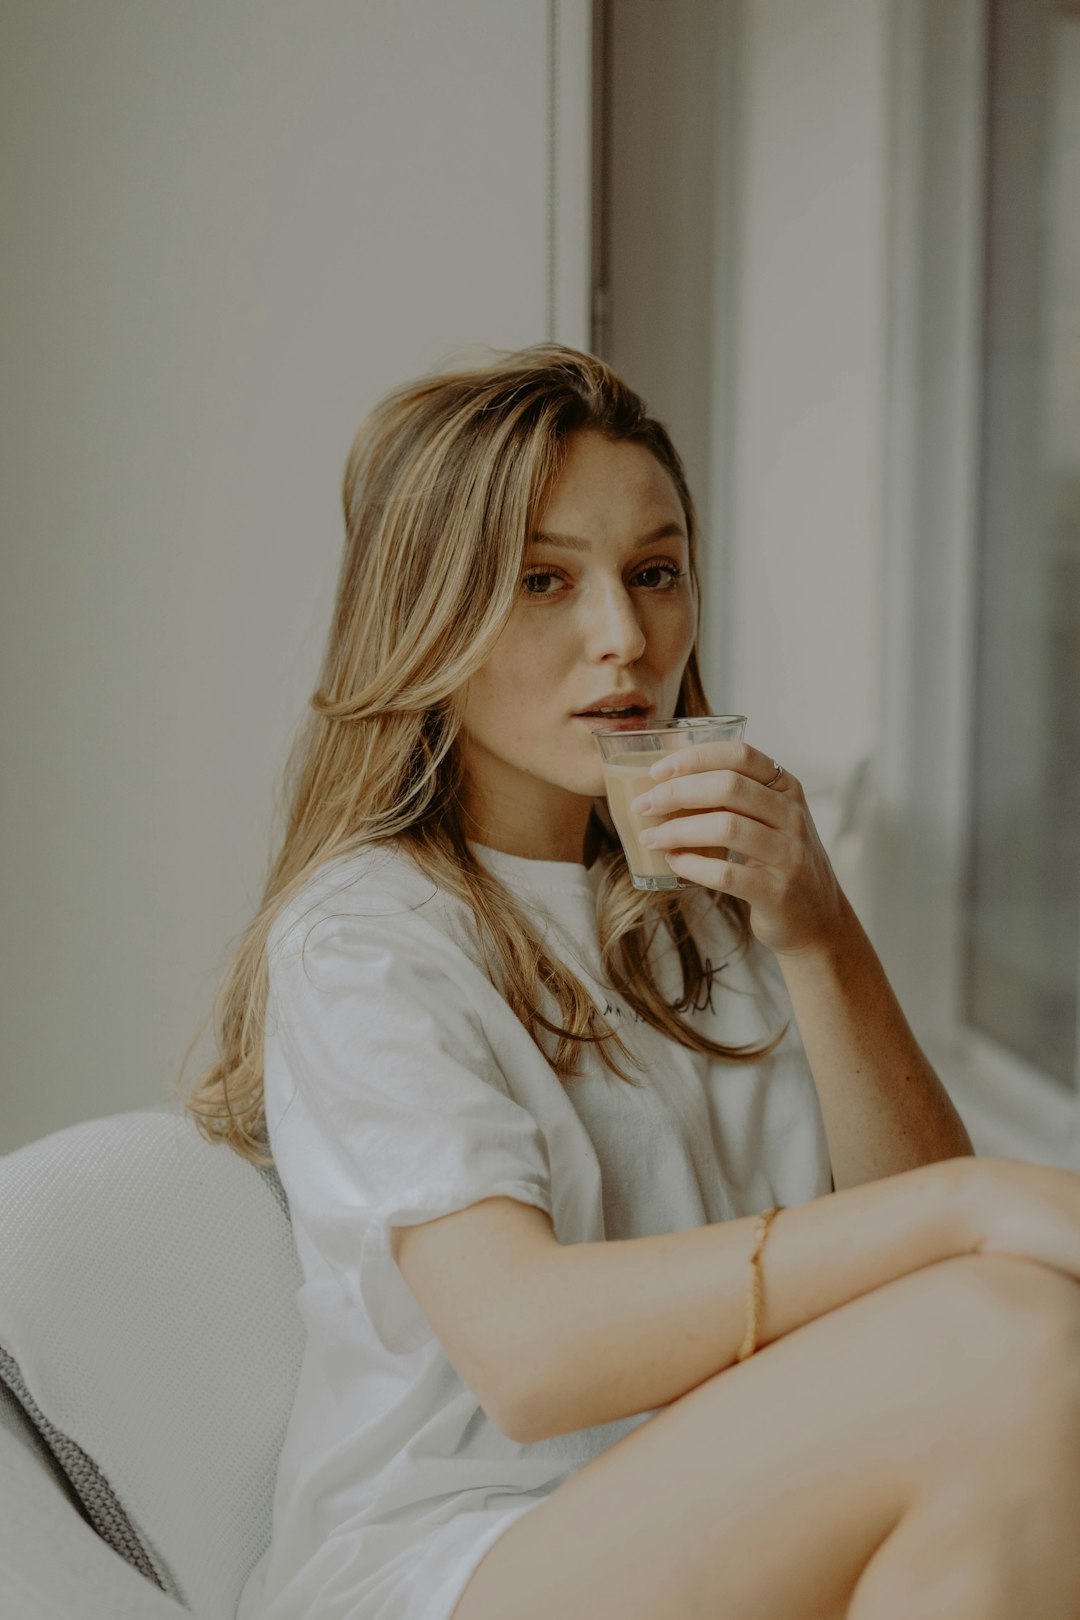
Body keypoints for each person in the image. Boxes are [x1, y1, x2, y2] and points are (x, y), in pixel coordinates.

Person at [184, 345, 1080, 1620]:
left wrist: (823, 936)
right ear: (433, 612)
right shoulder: (367, 935)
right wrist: (977, 1205)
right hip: (459, 1566)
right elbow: (530, 1354)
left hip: (724, 1521)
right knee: (1012, 1338)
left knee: (1014, 1393)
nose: (625, 636)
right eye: (544, 579)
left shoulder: (711, 915)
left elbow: (915, 1272)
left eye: (653, 573)